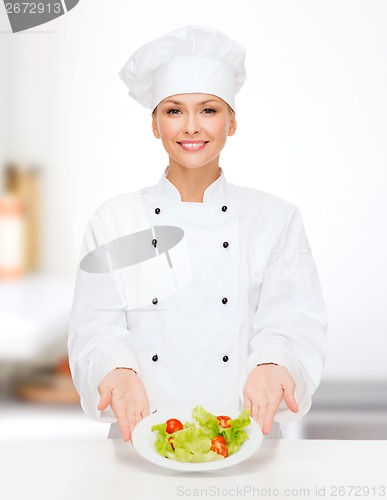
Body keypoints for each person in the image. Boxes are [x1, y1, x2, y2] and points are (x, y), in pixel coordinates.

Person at [68, 25, 327, 443]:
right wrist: (115, 368)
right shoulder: (116, 220)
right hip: (141, 439)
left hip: (246, 439)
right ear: (155, 124)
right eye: (174, 111)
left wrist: (273, 364)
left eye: (208, 110)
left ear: (233, 122)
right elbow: (96, 326)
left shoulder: (274, 218)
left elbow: (292, 321)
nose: (191, 126)